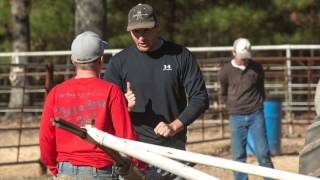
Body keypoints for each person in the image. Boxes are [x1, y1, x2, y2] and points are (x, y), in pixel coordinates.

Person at [103, 3, 209, 179]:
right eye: (136, 32)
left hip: (172, 148)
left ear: (157, 27)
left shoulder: (180, 55)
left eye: (146, 30)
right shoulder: (119, 61)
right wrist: (123, 104)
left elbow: (200, 98)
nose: (141, 37)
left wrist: (174, 126)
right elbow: (105, 104)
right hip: (132, 149)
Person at [39, 31, 144, 179]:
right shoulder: (111, 91)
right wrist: (140, 165)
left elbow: (45, 138)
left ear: (72, 60)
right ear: (101, 59)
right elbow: (126, 136)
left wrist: (54, 168)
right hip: (101, 171)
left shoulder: (56, 93)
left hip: (65, 170)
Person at [219, 37, 274, 180]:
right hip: (236, 115)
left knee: (263, 153)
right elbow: (223, 92)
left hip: (256, 113)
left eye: (247, 57)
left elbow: (261, 88)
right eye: (242, 57)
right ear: (233, 53)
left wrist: (259, 104)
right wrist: (229, 107)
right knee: (238, 156)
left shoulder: (257, 68)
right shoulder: (225, 71)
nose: (245, 60)